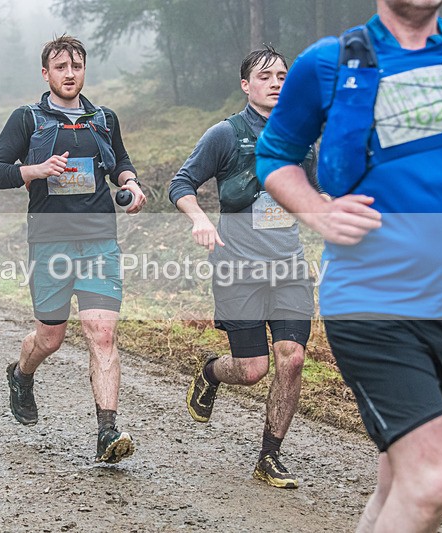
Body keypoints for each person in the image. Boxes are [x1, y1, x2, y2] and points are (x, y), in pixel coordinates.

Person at [256, 0, 442, 529]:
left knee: (399, 480)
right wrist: (318, 210)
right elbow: (274, 156)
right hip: (370, 302)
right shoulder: (328, 63)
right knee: (430, 483)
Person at [0, 35, 146, 464]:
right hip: (50, 244)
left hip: (99, 242)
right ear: (46, 74)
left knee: (102, 334)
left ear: (84, 70)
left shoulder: (103, 119)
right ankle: (21, 375)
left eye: (76, 66)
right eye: (60, 67)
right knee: (50, 338)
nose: (69, 74)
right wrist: (34, 170)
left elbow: (120, 163)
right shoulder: (28, 119)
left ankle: (107, 432)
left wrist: (130, 183)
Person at [169, 46, 324, 489]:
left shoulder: (302, 139)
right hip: (238, 269)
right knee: (252, 370)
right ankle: (210, 371)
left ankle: (269, 456)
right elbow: (181, 183)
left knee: (292, 358)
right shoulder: (226, 134)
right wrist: (199, 219)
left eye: (282, 76)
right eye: (265, 76)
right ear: (245, 85)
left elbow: (316, 193)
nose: (276, 83)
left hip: (289, 267)